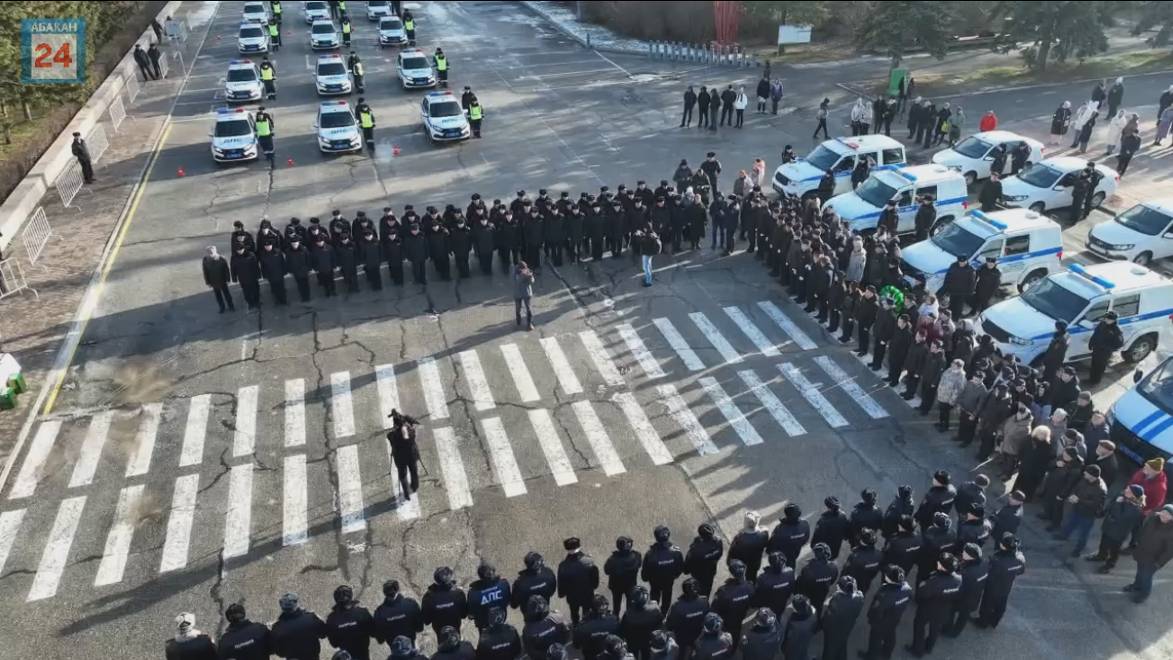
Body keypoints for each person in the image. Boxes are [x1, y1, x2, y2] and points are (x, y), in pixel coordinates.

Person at [1087, 484, 1147, 573]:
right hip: (1108, 526)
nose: (1125, 490)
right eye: (1127, 488)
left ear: (1134, 495)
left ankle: (1110, 564)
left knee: (1114, 550)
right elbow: (1110, 506)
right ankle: (1101, 555)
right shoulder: (1121, 497)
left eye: (1129, 491)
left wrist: (1118, 504)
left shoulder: (1136, 509)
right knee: (1103, 543)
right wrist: (1103, 512)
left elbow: (1121, 517)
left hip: (1118, 533)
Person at [857, 566, 911, 660]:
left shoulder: (885, 594)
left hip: (882, 621)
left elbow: (876, 609)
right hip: (895, 617)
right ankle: (887, 654)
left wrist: (871, 619)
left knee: (875, 639)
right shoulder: (907, 589)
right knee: (890, 635)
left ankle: (871, 656)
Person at [975, 533, 1025, 629]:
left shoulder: (996, 560)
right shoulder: (1017, 561)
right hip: (1006, 587)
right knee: (1001, 606)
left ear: (1002, 546)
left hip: (992, 587)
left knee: (987, 605)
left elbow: (988, 572)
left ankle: (983, 622)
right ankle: (994, 622)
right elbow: (1021, 570)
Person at [1125, 504, 1173, 603]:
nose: (1164, 515)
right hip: (1142, 553)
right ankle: (1136, 586)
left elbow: (1169, 552)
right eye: (1163, 512)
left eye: (1168, 514)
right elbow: (1143, 530)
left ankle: (1144, 594)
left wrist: (1158, 563)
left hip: (1153, 560)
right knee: (1140, 572)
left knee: (1146, 577)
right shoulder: (1152, 519)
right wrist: (1138, 542)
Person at [712, 559, 754, 649]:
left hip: (726, 621)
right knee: (735, 634)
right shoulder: (750, 587)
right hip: (740, 618)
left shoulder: (724, 592)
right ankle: (733, 648)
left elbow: (714, 609)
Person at [271, 592, 328, 659]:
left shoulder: (277, 627)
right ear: (296, 604)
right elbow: (324, 634)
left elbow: (280, 652)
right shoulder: (311, 618)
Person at [558, 537, 600, 625]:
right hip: (587, 595)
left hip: (572, 597)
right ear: (579, 546)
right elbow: (595, 581)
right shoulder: (589, 561)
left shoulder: (563, 565)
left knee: (574, 615)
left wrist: (561, 593)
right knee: (587, 614)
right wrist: (593, 586)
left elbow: (561, 583)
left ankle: (576, 629)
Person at [820, 576, 864, 660]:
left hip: (834, 629)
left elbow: (827, 619)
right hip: (848, 625)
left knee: (829, 649)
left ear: (839, 587)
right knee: (842, 644)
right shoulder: (859, 598)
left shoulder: (836, 601)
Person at [642, 526, 685, 610]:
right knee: (666, 600)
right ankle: (664, 615)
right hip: (668, 582)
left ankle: (654, 615)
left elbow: (645, 575)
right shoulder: (676, 552)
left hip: (655, 584)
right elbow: (680, 568)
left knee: (654, 601)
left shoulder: (650, 554)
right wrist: (674, 576)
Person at [373, 580, 424, 651]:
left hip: (395, 651)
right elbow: (420, 628)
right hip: (411, 646)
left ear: (385, 593)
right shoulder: (410, 604)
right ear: (397, 589)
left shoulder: (380, 613)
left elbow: (380, 639)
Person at [328, 584, 374, 659]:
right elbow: (373, 631)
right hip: (363, 653)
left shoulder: (331, 619)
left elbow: (334, 644)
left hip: (345, 656)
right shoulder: (362, 612)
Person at [664, 578, 708, 658]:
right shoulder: (704, 602)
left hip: (682, 636)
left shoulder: (677, 606)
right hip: (698, 634)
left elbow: (669, 625)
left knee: (681, 653)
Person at [618, 586, 662, 660]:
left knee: (633, 656)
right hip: (648, 640)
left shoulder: (628, 614)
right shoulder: (655, 609)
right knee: (646, 656)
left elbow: (623, 630)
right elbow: (659, 625)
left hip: (633, 641)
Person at [521, 596, 570, 660]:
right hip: (558, 651)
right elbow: (566, 631)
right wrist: (561, 645)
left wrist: (540, 656)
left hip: (542, 655)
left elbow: (529, 649)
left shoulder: (528, 630)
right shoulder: (557, 616)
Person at [796, 542, 838, 617]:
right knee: (818, 606)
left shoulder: (808, 569)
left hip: (809, 592)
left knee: (805, 606)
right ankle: (816, 619)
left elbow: (802, 583)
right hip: (823, 592)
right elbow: (833, 580)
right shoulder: (833, 567)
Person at [386, 410, 420, 500]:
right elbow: (411, 426)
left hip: (400, 459)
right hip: (412, 455)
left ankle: (406, 493)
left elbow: (389, 437)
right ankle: (414, 486)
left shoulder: (392, 435)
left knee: (403, 475)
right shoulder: (411, 432)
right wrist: (404, 421)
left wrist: (394, 429)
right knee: (414, 470)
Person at [573, 595, 620, 660]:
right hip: (609, 655)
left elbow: (576, 644)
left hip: (590, 655)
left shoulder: (584, 625)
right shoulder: (613, 620)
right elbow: (620, 636)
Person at [684, 524, 723, 599]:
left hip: (698, 574)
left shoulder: (696, 549)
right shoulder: (718, 541)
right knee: (707, 590)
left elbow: (689, 561)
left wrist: (686, 570)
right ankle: (704, 603)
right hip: (711, 571)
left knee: (695, 589)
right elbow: (719, 554)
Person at [1086, 311, 1124, 385]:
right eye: (1105, 318)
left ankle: (1095, 382)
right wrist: (1091, 344)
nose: (1105, 319)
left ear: (1113, 320)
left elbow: (1119, 344)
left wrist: (1106, 348)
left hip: (1104, 353)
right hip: (1096, 349)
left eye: (1108, 319)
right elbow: (1095, 334)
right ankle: (1091, 379)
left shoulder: (1116, 330)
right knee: (1093, 365)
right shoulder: (1102, 324)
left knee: (1099, 368)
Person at [768, 503, 810, 568]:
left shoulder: (780, 529)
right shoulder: (805, 524)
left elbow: (773, 543)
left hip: (781, 554)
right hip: (795, 552)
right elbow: (806, 538)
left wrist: (770, 552)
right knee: (791, 567)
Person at [780, 595, 817, 660]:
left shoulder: (792, 621)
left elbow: (784, 634)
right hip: (806, 638)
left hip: (792, 644)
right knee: (803, 651)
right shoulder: (813, 612)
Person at [202, 246, 235, 313]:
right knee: (218, 296)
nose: (211, 253)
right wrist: (208, 282)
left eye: (212, 251)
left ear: (215, 251)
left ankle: (231, 306)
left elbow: (226, 270)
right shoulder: (205, 260)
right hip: (213, 281)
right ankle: (222, 307)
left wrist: (228, 279)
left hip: (222, 280)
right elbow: (205, 271)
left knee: (227, 294)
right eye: (209, 252)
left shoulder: (222, 258)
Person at [512, 261, 535, 330]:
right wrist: (523, 276)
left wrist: (530, 277)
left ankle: (529, 324)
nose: (525, 270)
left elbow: (532, 281)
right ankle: (518, 321)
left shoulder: (527, 271)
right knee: (518, 308)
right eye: (523, 269)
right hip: (518, 293)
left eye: (526, 268)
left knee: (528, 308)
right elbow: (517, 282)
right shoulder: (514, 272)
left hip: (526, 292)